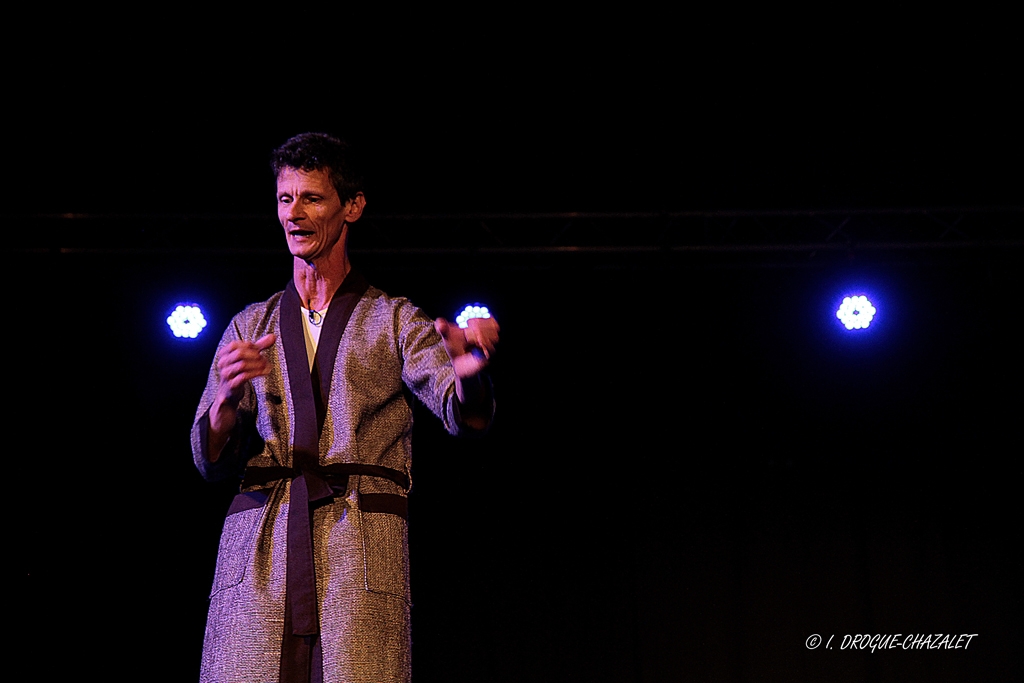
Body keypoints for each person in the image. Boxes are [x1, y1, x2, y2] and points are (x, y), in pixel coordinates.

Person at [191, 132, 498, 683]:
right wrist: (224, 405)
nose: (294, 213)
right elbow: (207, 455)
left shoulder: (394, 319)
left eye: (312, 198)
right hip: (261, 547)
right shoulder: (249, 325)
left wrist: (470, 374)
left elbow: (461, 411)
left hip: (354, 544)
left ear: (351, 206)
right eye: (285, 199)